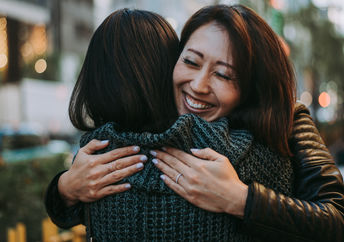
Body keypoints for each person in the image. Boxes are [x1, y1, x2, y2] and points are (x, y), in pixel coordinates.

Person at [45, 4, 344, 242]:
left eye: (224, 75)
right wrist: (65, 188)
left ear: (251, 87)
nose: (198, 85)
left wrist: (240, 199)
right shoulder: (157, 131)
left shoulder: (287, 120)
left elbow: (336, 219)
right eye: (190, 61)